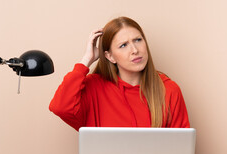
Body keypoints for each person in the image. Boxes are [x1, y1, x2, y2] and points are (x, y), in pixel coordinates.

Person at [49, 16, 190, 130]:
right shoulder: (94, 87)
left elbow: (180, 146)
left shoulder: (169, 89)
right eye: (123, 45)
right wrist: (86, 60)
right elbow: (60, 107)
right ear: (109, 56)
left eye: (138, 40)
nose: (135, 50)